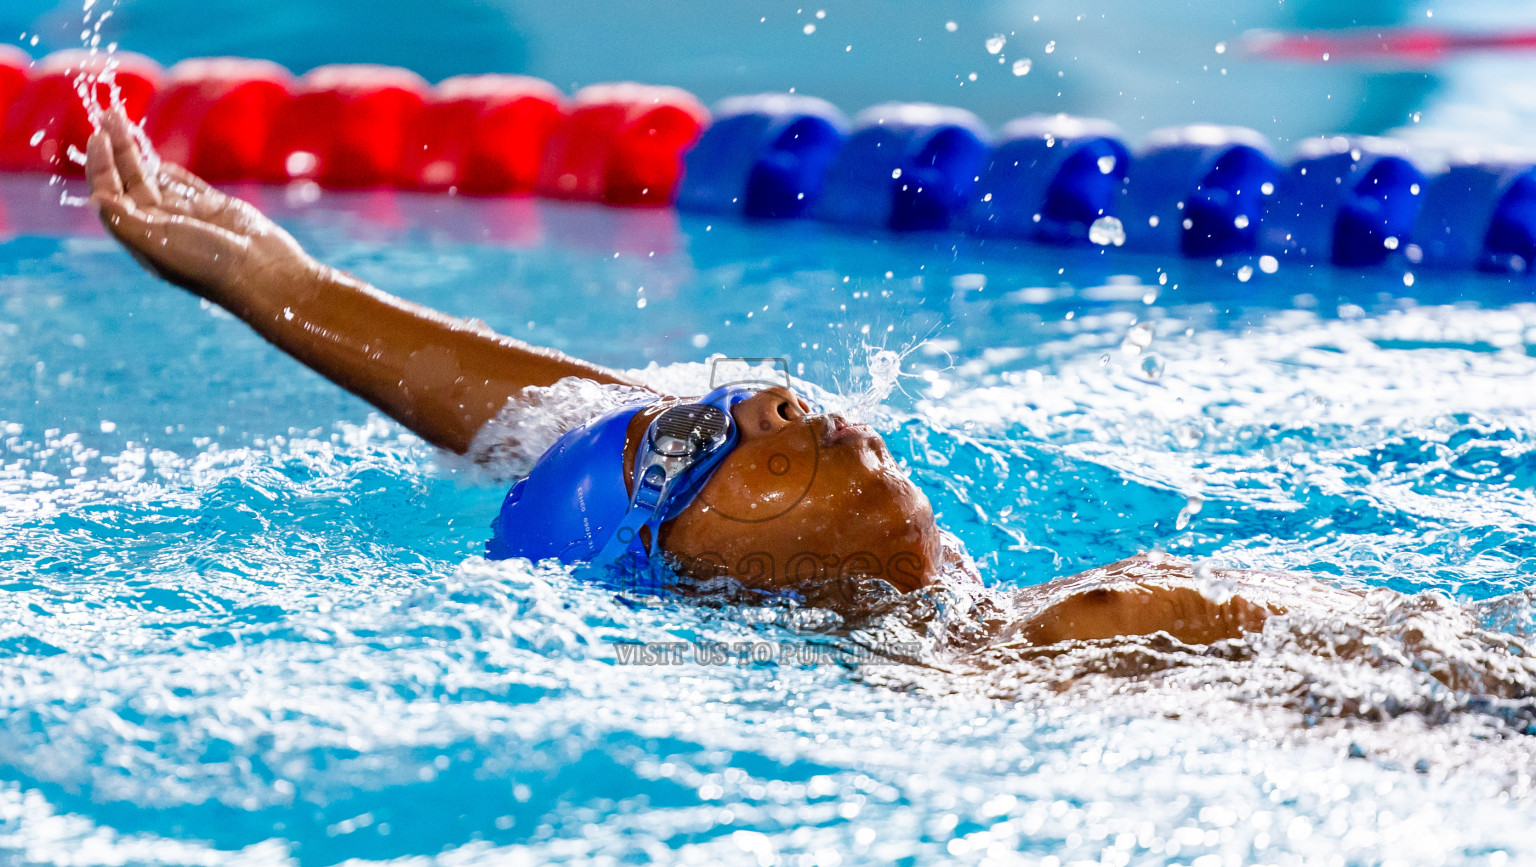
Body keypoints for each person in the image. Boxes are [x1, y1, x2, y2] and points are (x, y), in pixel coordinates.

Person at [84, 109, 1300, 649]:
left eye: (742, 400)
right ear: (686, 577)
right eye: (685, 448)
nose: (776, 405)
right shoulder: (1010, 691)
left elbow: (565, 424)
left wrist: (289, 288)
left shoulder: (1024, 626)